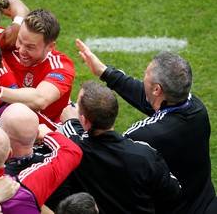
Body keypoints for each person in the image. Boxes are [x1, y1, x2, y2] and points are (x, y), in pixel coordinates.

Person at [75, 39, 217, 213]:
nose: (142, 80)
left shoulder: (144, 136)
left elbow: (105, 150)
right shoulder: (196, 108)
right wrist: (105, 72)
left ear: (157, 90)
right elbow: (146, 99)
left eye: (145, 75)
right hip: (206, 205)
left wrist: (73, 123)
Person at [54, 81, 181, 213]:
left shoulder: (75, 151)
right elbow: (173, 194)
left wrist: (70, 121)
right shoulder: (145, 155)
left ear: (85, 121)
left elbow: (73, 137)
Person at [0, 9, 75, 123]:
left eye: (30, 47)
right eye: (20, 40)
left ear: (50, 46)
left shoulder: (61, 67)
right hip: (5, 119)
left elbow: (40, 99)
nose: (21, 50)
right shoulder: (8, 42)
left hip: (43, 131)